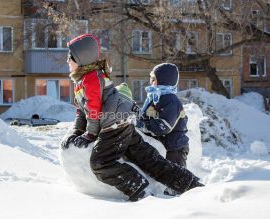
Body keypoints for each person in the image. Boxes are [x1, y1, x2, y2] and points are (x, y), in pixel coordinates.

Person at [61, 33, 203, 201]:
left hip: (114, 125)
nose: (67, 61)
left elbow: (93, 110)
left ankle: (139, 188)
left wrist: (90, 134)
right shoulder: (84, 80)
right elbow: (81, 111)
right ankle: (190, 184)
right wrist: (76, 132)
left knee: (100, 163)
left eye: (70, 58)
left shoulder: (91, 79)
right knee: (149, 160)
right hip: (121, 122)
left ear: (81, 59)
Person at [136, 63, 190, 168]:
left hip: (175, 148)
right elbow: (147, 117)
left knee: (176, 179)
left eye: (153, 79)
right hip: (165, 146)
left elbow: (163, 126)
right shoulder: (156, 98)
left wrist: (141, 124)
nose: (151, 82)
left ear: (163, 80)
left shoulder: (170, 100)